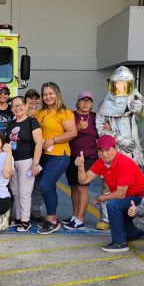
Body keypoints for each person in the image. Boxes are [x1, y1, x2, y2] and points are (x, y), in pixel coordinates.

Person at [95, 66, 144, 230]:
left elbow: (143, 115)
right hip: (113, 150)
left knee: (135, 186)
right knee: (109, 184)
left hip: (134, 151)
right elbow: (100, 128)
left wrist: (139, 108)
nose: (121, 89)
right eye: (118, 85)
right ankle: (106, 218)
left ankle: (132, 217)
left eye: (124, 85)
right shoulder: (104, 105)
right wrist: (118, 139)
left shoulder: (136, 99)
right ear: (111, 85)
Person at [76, 135, 144, 252]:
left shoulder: (124, 163)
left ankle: (120, 243)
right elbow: (83, 180)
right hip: (128, 201)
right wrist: (80, 167)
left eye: (107, 150)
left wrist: (100, 197)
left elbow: (120, 195)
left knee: (113, 204)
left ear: (115, 149)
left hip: (142, 200)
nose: (104, 154)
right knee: (127, 234)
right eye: (101, 150)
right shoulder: (101, 162)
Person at [35, 82, 77, 234]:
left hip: (59, 155)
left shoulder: (64, 112)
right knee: (50, 186)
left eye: (50, 93)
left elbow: (72, 132)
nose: (48, 97)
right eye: (45, 94)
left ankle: (53, 220)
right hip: (43, 156)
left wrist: (53, 140)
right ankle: (52, 218)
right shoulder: (40, 112)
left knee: (45, 186)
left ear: (57, 94)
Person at [6, 96, 42, 232]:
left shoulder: (32, 121)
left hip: (27, 161)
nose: (17, 108)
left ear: (26, 106)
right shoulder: (11, 124)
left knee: (24, 192)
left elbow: (39, 142)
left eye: (20, 105)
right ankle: (19, 217)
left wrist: (35, 163)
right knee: (15, 191)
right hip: (12, 161)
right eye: (14, 106)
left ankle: (26, 220)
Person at [62, 91, 98, 230]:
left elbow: (102, 133)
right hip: (71, 156)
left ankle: (80, 219)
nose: (85, 103)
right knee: (74, 187)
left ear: (92, 104)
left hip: (88, 157)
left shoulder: (95, 117)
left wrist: (107, 126)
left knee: (83, 187)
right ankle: (75, 216)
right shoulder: (71, 115)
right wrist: (77, 128)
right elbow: (66, 134)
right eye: (83, 100)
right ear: (78, 102)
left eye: (88, 101)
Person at [25, 88, 44, 222]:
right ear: (26, 100)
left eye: (36, 98)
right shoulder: (20, 112)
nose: (34, 100)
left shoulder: (43, 113)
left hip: (39, 153)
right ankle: (19, 210)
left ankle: (35, 209)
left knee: (37, 182)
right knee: (21, 183)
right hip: (23, 153)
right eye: (31, 98)